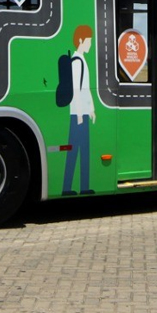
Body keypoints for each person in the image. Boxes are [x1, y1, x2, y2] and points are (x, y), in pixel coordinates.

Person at [62, 24, 96, 196]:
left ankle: (84, 187)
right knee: (74, 152)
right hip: (77, 115)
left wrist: (92, 109)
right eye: (89, 40)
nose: (91, 44)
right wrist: (82, 114)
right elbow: (76, 90)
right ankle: (67, 188)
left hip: (82, 114)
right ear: (81, 40)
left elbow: (87, 89)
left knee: (84, 152)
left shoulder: (82, 60)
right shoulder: (77, 61)